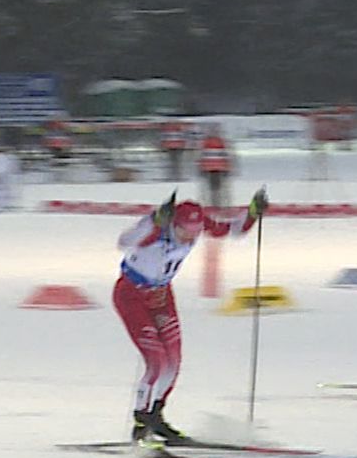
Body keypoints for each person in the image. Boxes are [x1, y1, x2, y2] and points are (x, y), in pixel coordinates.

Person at [115, 188, 270, 443]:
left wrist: (253, 212)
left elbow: (232, 229)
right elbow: (124, 241)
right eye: (186, 231)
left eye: (196, 231)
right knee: (157, 361)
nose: (191, 237)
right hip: (131, 296)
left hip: (161, 296)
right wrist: (154, 221)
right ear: (174, 224)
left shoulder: (196, 225)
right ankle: (141, 422)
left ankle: (156, 416)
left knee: (173, 362)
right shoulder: (156, 228)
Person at [197, 126, 233, 209]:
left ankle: (213, 205)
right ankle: (219, 205)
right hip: (219, 168)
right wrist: (227, 168)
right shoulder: (221, 142)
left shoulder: (205, 142)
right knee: (219, 189)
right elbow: (225, 156)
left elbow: (202, 156)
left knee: (211, 189)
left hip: (209, 168)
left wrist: (201, 168)